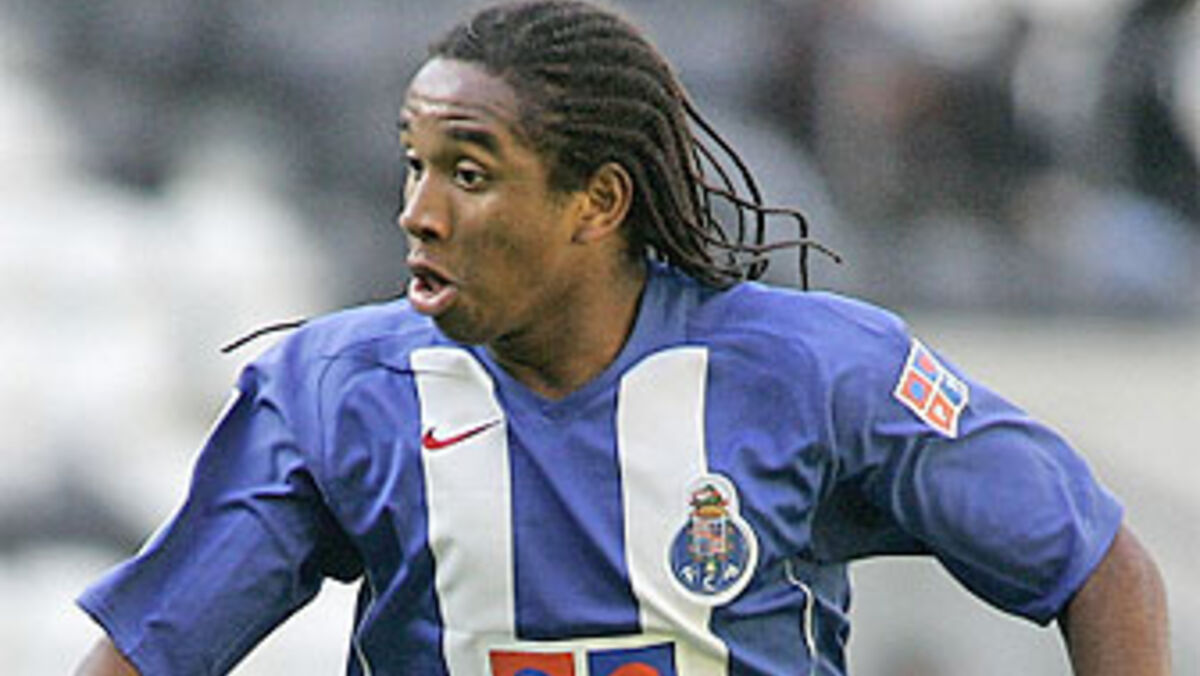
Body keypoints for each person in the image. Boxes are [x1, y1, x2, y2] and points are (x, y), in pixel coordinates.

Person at [76, 1, 1169, 674]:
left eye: (469, 173)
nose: (418, 211)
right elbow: (149, 650)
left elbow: (1098, 564)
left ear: (596, 202)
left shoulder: (814, 373)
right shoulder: (334, 395)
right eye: (414, 165)